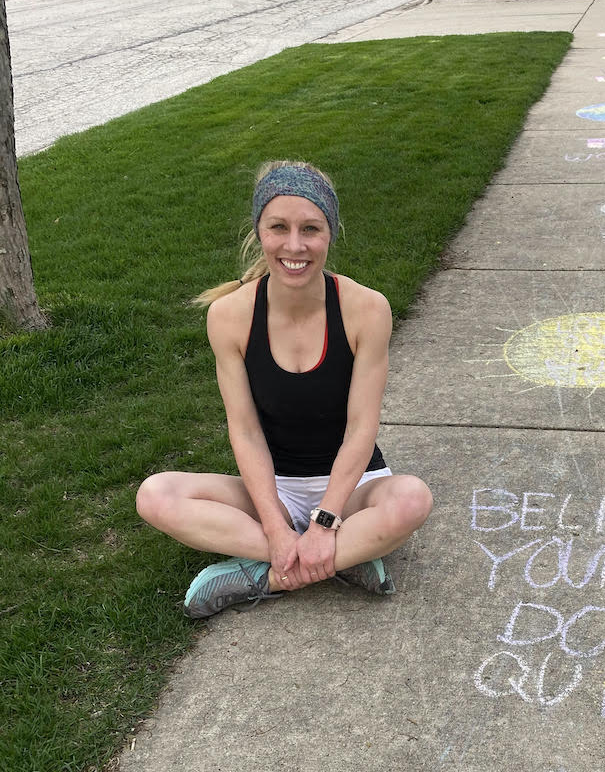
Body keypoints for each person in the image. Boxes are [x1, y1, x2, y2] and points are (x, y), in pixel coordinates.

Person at [136, 160, 433, 619]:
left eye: (311, 229)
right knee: (155, 495)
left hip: (352, 489)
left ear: (330, 233)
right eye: (279, 227)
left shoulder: (367, 309)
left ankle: (264, 576)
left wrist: (327, 520)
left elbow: (361, 428)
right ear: (259, 231)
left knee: (412, 499)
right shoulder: (229, 317)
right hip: (271, 489)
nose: (295, 246)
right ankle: (338, 560)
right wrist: (276, 526)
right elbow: (246, 430)